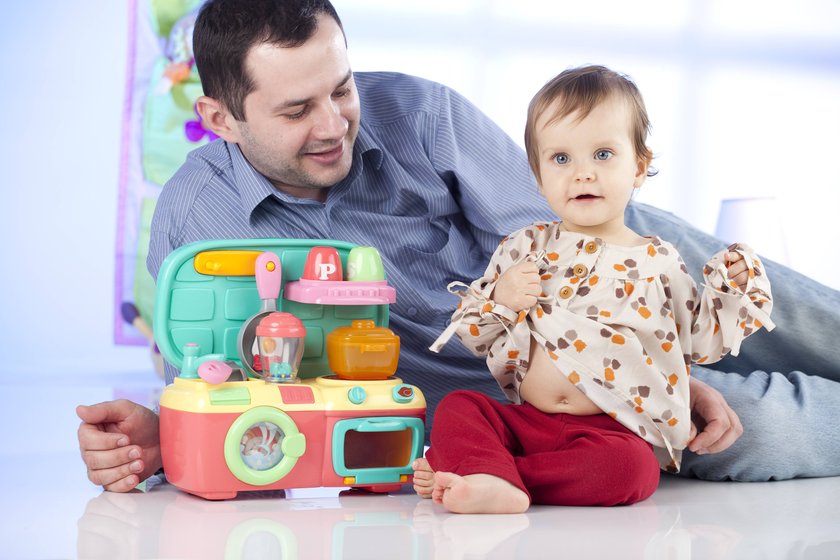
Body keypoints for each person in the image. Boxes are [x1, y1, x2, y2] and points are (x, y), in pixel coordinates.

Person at [77, 0, 840, 493]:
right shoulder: (196, 224)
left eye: (340, 88)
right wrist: (160, 440)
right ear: (220, 119)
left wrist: (654, 363)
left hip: (602, 308)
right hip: (500, 411)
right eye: (297, 108)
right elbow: (231, 378)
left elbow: (556, 246)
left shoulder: (421, 113)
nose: (336, 122)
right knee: (760, 429)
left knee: (716, 272)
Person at [411, 65, 774, 514]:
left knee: (633, 470)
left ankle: (498, 475)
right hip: (530, 419)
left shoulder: (657, 260)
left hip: (610, 428)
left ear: (639, 167)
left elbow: (700, 339)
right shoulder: (523, 248)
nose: (582, 174)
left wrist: (732, 289)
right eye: (561, 159)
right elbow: (474, 336)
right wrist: (501, 300)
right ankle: (490, 469)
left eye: (603, 154)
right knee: (459, 406)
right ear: (539, 177)